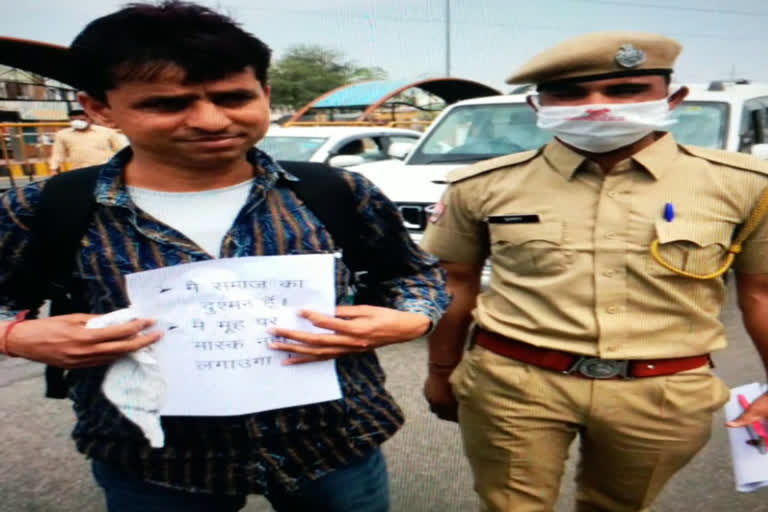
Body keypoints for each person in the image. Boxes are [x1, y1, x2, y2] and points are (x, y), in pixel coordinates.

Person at [0, 2, 448, 511]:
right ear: (99, 108)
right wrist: (16, 336)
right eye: (167, 104)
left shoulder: (336, 192)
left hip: (334, 446)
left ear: (266, 94)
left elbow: (417, 276)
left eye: (234, 97)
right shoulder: (41, 209)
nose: (211, 120)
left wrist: (411, 319)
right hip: (157, 464)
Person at [422, 31, 768, 511]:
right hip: (514, 382)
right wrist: (441, 371)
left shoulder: (744, 186)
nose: (596, 107)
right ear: (536, 105)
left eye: (625, 90)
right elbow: (454, 282)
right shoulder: (483, 185)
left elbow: (761, 294)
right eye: (569, 93)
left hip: (662, 391)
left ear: (674, 97)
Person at [48, 109, 126, 173]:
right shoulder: (62, 134)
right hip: (80, 171)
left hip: (105, 169)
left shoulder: (106, 132)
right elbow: (58, 153)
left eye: (82, 119)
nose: (78, 122)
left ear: (90, 119)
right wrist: (54, 169)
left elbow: (121, 150)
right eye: (73, 120)